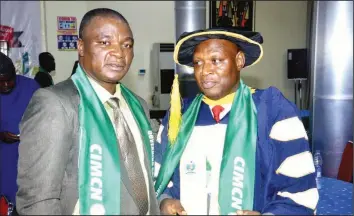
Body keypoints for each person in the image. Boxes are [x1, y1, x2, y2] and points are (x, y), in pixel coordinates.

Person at [154, 28, 319, 215]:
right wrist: (164, 200)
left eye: (216, 61)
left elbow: (299, 191)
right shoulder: (179, 115)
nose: (205, 71)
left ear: (239, 61)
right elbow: (159, 176)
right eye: (198, 63)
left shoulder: (272, 110)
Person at [16, 8, 159, 215]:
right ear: (81, 47)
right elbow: (38, 200)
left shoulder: (138, 105)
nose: (119, 53)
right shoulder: (55, 104)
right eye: (105, 42)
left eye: (126, 45)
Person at [0, 52, 40, 214]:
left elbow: (47, 117)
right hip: (4, 158)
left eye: (10, 80)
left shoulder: (31, 87)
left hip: (30, 157)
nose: (7, 85)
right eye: (1, 82)